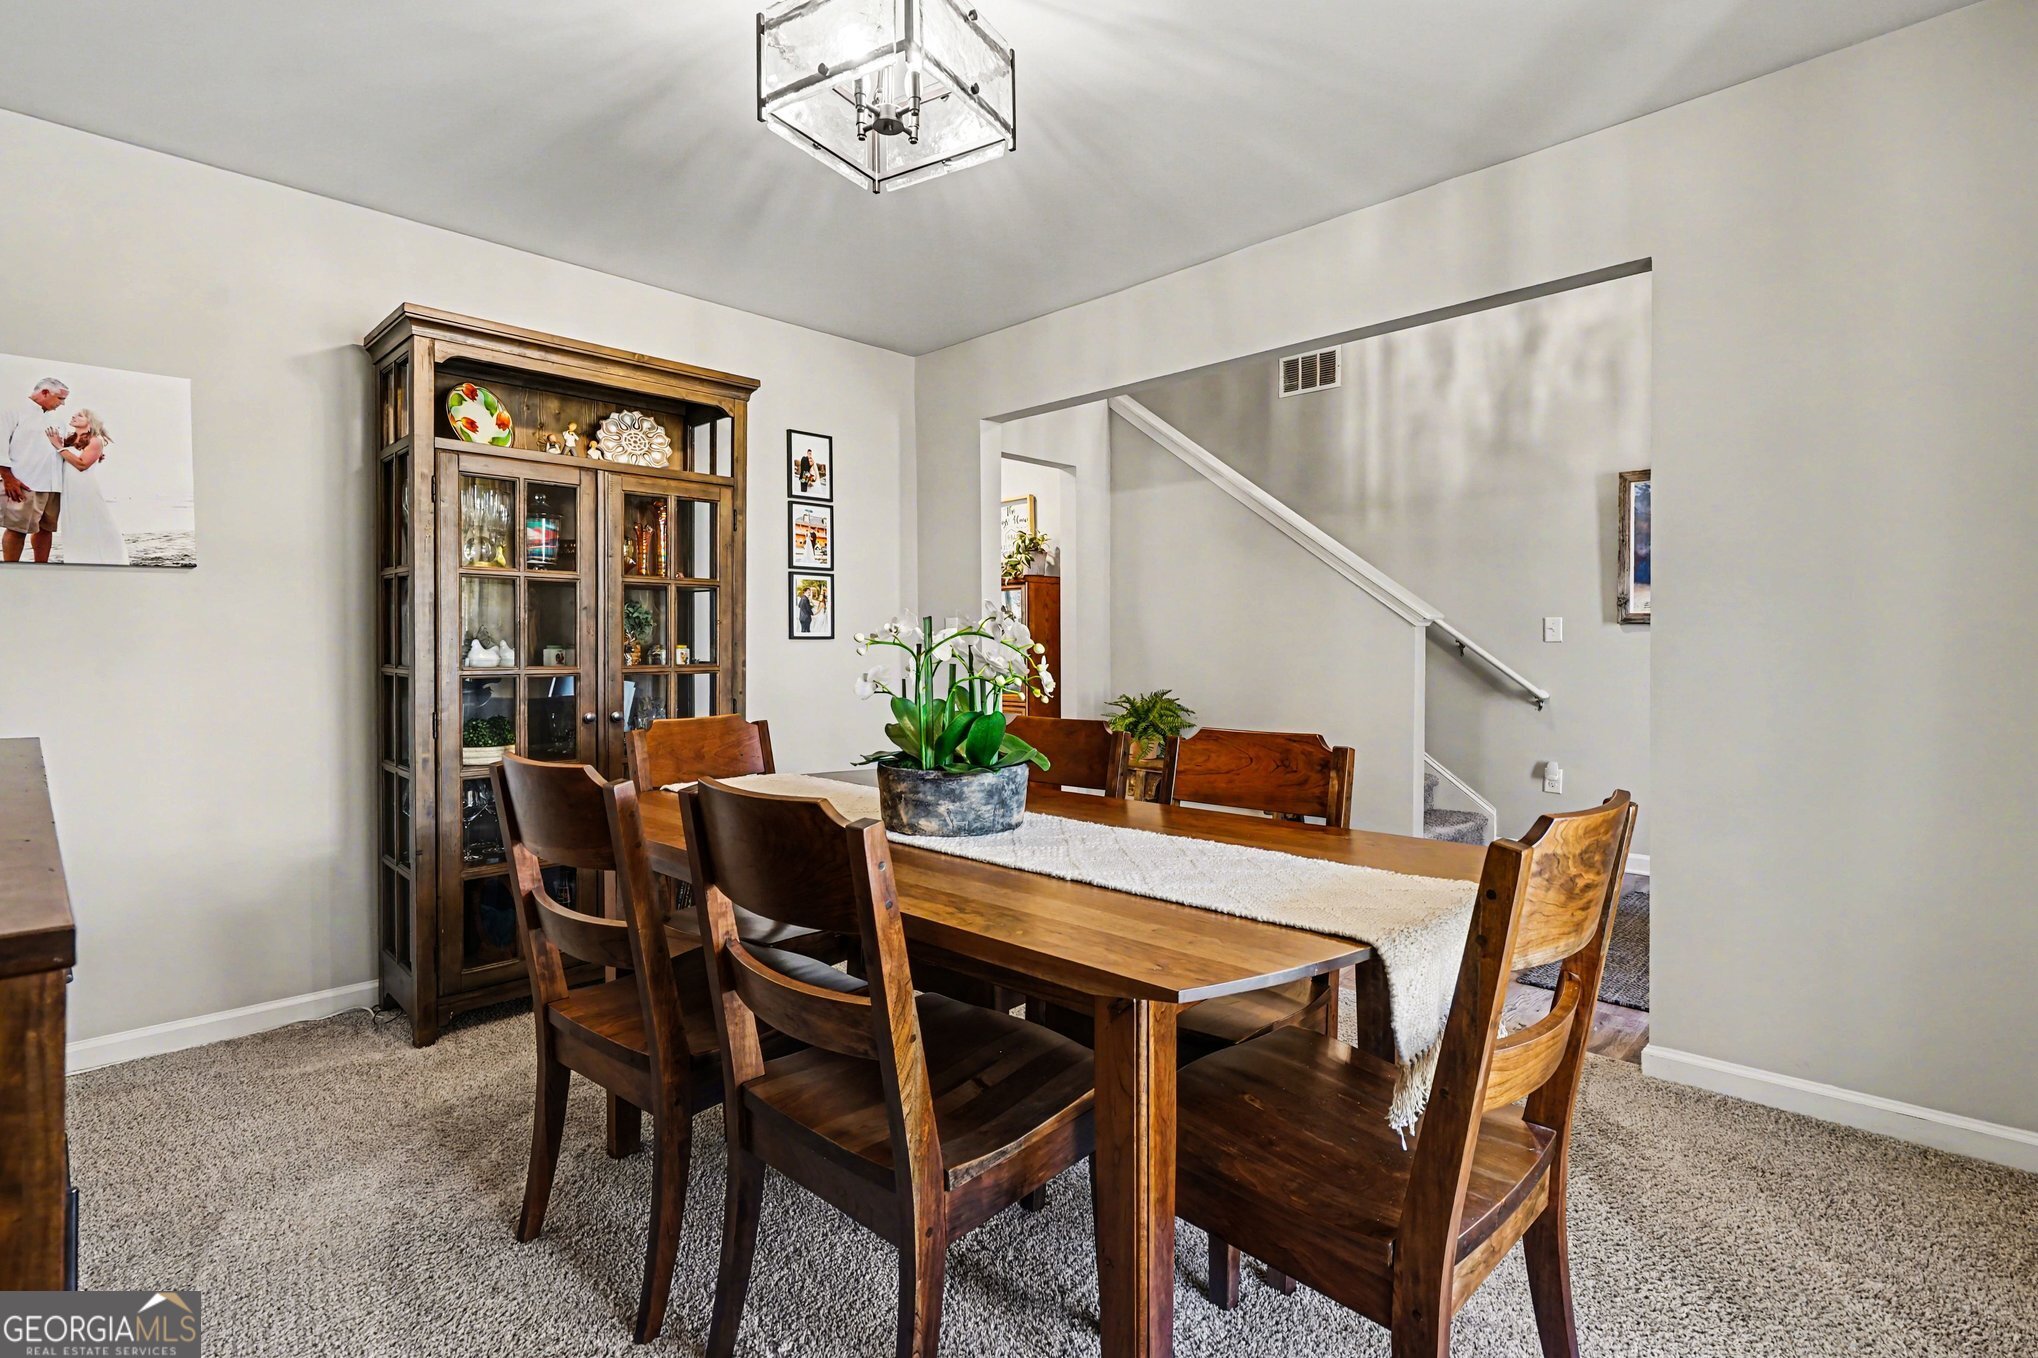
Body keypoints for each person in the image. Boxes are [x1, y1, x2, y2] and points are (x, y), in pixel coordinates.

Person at [46, 409, 127, 566]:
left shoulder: (96, 440)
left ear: (90, 423)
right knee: (75, 522)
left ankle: (109, 557)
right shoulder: (69, 439)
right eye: (75, 414)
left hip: (84, 487)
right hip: (69, 488)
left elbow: (82, 464)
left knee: (93, 519)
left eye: (80, 415)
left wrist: (58, 446)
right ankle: (78, 558)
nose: (74, 416)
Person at [1, 376, 69, 563]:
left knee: (46, 529)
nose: (62, 404)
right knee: (17, 529)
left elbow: (61, 446)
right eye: (60, 398)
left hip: (53, 485)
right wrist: (8, 478)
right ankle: (10, 568)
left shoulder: (58, 419)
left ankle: (41, 568)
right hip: (25, 482)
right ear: (44, 392)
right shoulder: (13, 410)